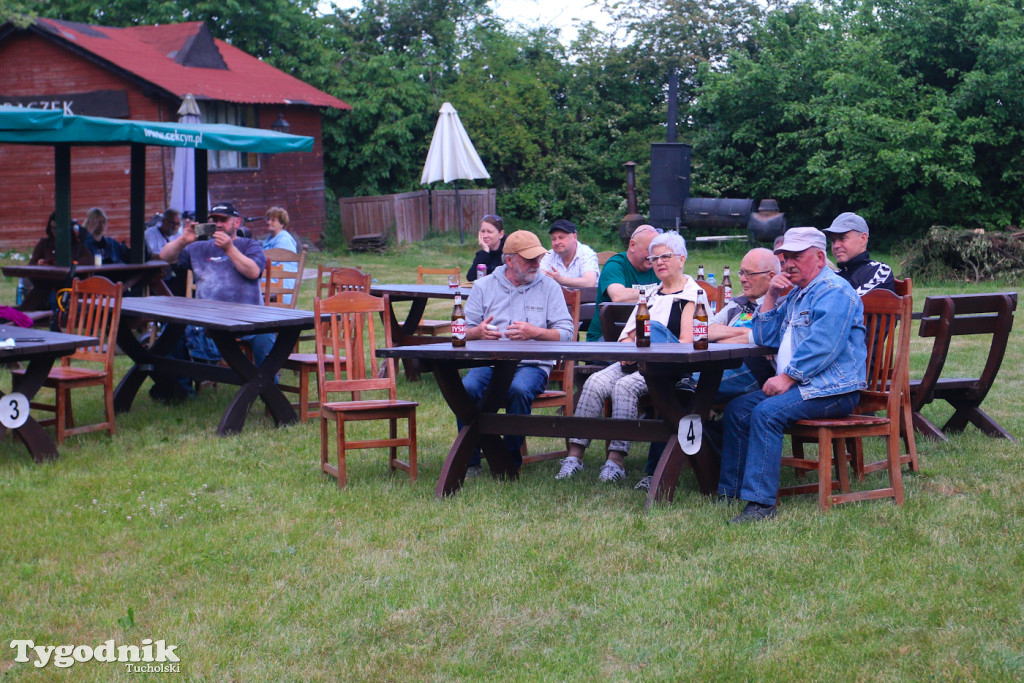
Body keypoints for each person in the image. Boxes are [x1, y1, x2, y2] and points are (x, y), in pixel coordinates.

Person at [720, 227, 866, 524]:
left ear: (820, 257)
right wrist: (772, 294)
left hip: (833, 389)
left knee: (766, 414)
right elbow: (764, 336)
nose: (787, 264)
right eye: (785, 257)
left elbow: (823, 346)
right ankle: (731, 492)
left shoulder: (834, 291)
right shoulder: (798, 294)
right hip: (803, 386)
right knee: (737, 409)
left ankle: (761, 506)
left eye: (796, 256)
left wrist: (787, 377)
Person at [556, 231, 698, 483]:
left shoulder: (691, 295)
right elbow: (627, 335)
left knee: (624, 387)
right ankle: (574, 456)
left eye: (666, 256)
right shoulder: (651, 294)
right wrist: (626, 354)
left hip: (665, 369)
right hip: (634, 363)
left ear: (681, 259)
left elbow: (687, 343)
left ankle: (615, 462)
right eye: (654, 258)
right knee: (594, 383)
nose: (659, 262)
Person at [460, 230, 576, 477]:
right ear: (509, 260)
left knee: (519, 390)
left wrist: (536, 332)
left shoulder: (549, 287)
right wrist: (477, 332)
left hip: (531, 364)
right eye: (529, 259)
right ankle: (470, 461)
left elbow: (567, 333)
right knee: (466, 389)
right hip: (489, 363)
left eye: (538, 258)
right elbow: (459, 332)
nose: (537, 264)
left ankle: (507, 462)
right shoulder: (483, 286)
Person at [159, 201, 272, 371]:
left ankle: (268, 387)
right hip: (208, 320)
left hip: (248, 320)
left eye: (223, 220)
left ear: (237, 222)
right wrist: (182, 240)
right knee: (171, 330)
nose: (218, 224)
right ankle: (181, 389)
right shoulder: (198, 247)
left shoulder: (249, 245)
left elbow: (254, 272)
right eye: (214, 220)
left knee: (266, 336)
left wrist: (229, 249)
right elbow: (165, 257)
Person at [586, 224, 660, 341]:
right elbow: (618, 296)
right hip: (606, 339)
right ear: (632, 245)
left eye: (656, 252)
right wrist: (657, 293)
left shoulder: (658, 266)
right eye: (649, 250)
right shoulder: (615, 265)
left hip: (643, 335)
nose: (653, 256)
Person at [823, 212, 895, 295]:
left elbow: (853, 301)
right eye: (833, 241)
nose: (836, 245)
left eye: (842, 238)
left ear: (863, 239)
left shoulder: (880, 271)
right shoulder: (834, 276)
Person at [538, 219, 599, 288]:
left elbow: (589, 282)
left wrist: (561, 280)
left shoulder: (586, 253)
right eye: (553, 239)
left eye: (561, 238)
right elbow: (539, 276)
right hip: (556, 298)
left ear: (574, 237)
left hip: (585, 298)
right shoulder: (550, 254)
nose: (557, 242)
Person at [261, 206, 299, 304]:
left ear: (281, 223)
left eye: (273, 220)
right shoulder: (269, 240)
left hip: (281, 284)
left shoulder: (284, 240)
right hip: (271, 280)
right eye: (268, 219)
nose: (268, 222)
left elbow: (268, 263)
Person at [466, 214, 506, 281]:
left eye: (489, 232)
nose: (485, 236)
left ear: (501, 234)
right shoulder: (483, 254)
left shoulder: (510, 253)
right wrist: (485, 251)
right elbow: (471, 278)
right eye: (483, 231)